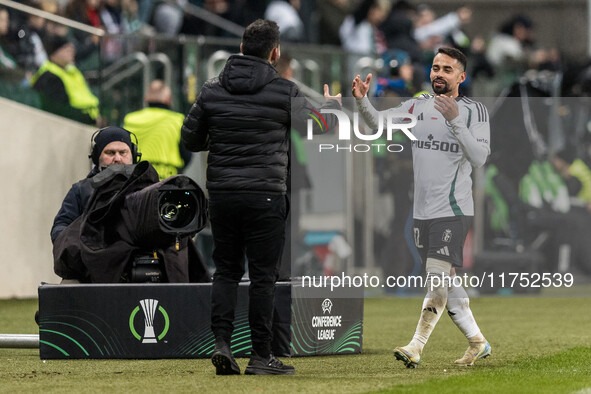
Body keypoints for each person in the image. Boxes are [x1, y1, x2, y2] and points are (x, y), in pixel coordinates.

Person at [182, 19, 341, 376]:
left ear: (241, 48)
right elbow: (321, 126)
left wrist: (223, 139)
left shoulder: (211, 89)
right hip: (266, 196)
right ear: (275, 52)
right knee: (262, 277)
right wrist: (332, 105)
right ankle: (260, 356)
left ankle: (222, 343)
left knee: (224, 271)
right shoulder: (284, 91)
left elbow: (190, 139)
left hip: (222, 194)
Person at [352, 47, 491, 368]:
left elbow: (480, 157)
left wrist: (455, 121)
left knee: (436, 276)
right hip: (422, 212)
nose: (438, 74)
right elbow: (378, 123)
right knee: (448, 278)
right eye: (435, 67)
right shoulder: (417, 105)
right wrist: (362, 100)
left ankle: (416, 345)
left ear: (461, 77)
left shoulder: (474, 112)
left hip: (454, 209)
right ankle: (477, 341)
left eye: (446, 69)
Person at [50, 126, 138, 244]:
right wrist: (83, 247)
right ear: (97, 157)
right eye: (110, 153)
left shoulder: (146, 188)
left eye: (123, 153)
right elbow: (60, 229)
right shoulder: (81, 190)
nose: (117, 159)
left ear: (134, 154)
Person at [123, 80, 190, 180]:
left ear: (145, 98)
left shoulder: (130, 119)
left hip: (138, 178)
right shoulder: (177, 120)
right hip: (168, 179)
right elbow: (187, 154)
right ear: (168, 99)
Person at [31, 34, 102, 125]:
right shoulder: (49, 77)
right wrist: (89, 119)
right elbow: (61, 109)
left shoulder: (73, 70)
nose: (71, 51)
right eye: (66, 49)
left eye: (71, 49)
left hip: (92, 118)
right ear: (54, 53)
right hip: (77, 123)